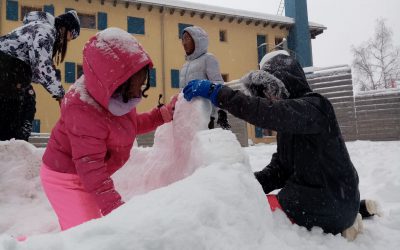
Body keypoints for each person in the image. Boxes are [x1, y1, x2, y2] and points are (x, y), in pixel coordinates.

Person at [182, 50, 379, 240]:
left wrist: (220, 94)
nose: (269, 97)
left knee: (251, 213)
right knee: (250, 201)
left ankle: (344, 218)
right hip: (319, 199)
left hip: (328, 199)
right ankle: (352, 215)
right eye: (265, 93)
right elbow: (280, 170)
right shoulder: (288, 126)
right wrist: (245, 185)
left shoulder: (316, 107)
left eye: (272, 89)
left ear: (288, 81)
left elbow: (270, 112)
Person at [40, 27, 178, 231]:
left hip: (85, 174)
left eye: (141, 84)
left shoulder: (114, 96)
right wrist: (117, 211)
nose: (137, 92)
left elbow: (129, 126)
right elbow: (92, 170)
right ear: (115, 83)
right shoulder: (83, 110)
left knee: (84, 229)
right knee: (86, 235)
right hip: (65, 178)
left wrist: (161, 115)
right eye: (133, 87)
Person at [0, 10, 80, 141]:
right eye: (70, 36)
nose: (67, 41)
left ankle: (14, 143)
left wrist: (53, 77)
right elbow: (42, 66)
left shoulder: (40, 28)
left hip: (10, 75)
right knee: (9, 123)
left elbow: (36, 67)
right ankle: (8, 149)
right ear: (65, 27)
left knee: (25, 103)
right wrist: (60, 94)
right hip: (6, 74)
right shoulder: (45, 30)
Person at [179, 26, 230, 130]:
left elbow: (218, 85)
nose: (184, 43)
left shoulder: (208, 59)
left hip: (205, 115)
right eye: (183, 39)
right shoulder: (184, 66)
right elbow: (182, 93)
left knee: (202, 145)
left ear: (197, 40)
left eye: (187, 38)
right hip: (187, 116)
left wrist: (221, 111)